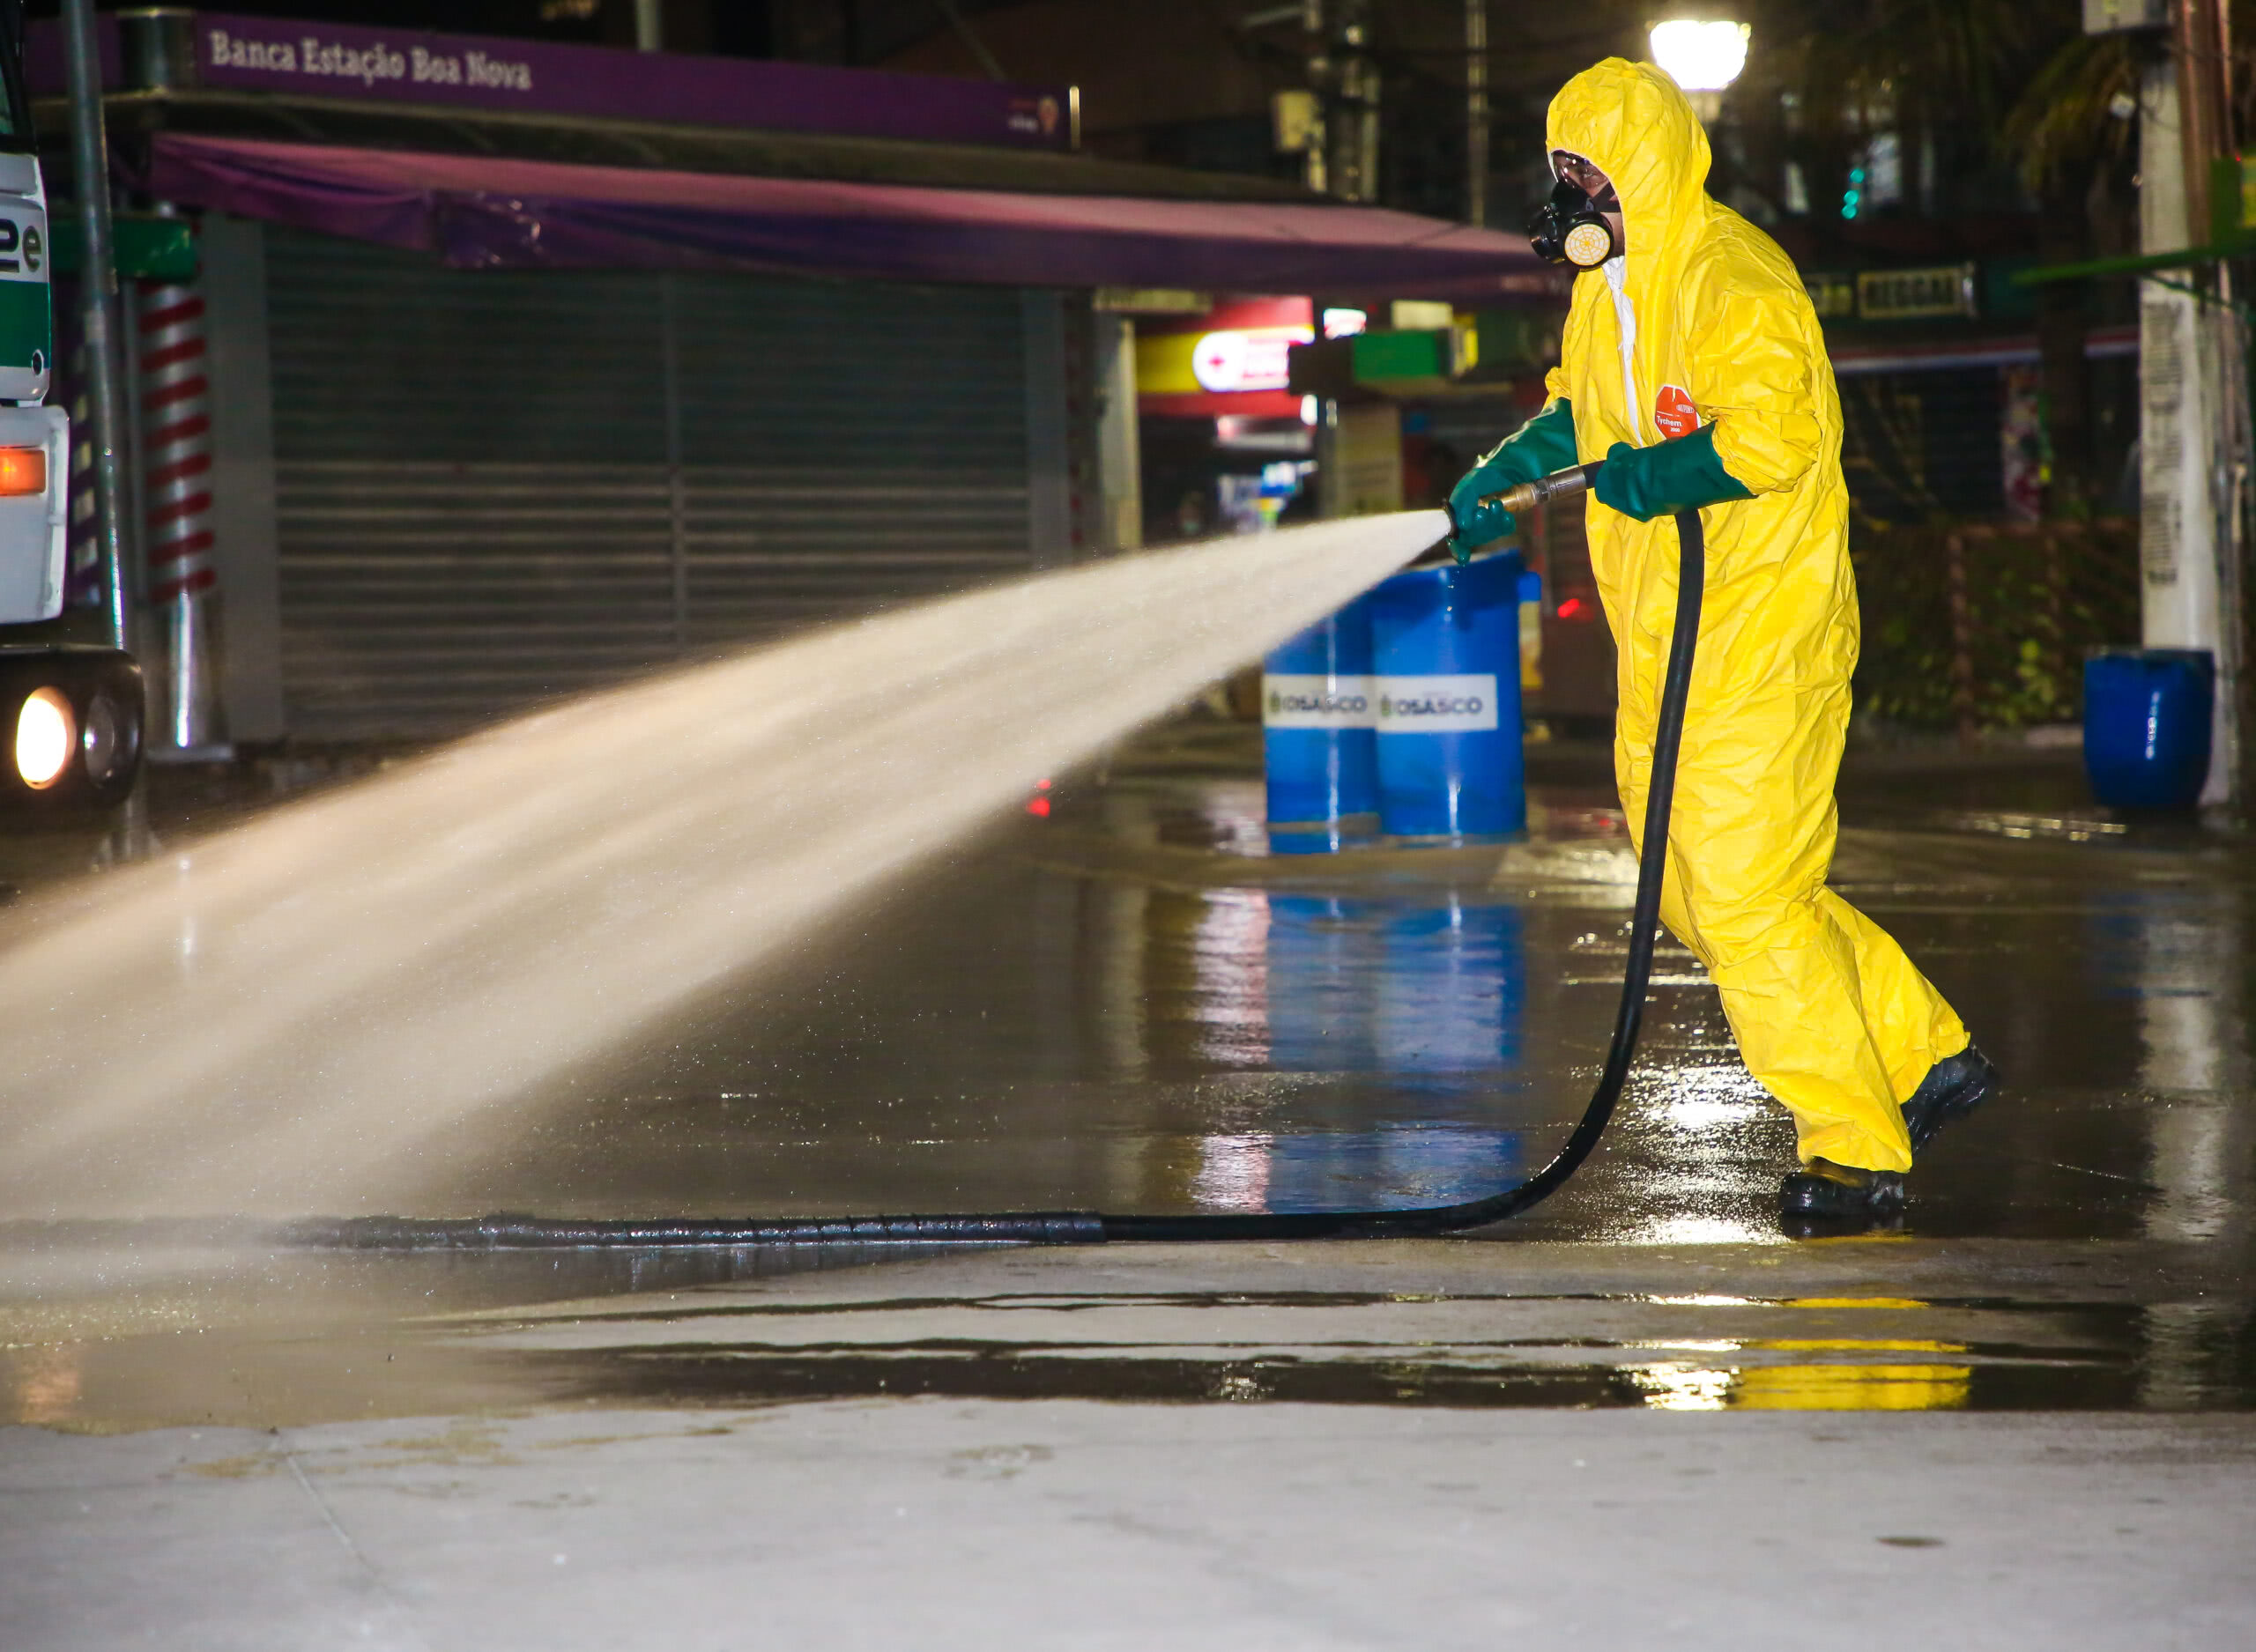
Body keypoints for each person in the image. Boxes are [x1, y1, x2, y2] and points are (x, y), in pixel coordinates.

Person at [1448, 58, 1998, 1225]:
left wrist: (1660, 475)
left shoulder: (1731, 273)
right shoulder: (1610, 292)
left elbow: (1776, 438)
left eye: (1586, 173)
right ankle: (1924, 1052)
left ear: (1641, 165)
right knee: (1697, 892)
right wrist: (1514, 469)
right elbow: (1583, 413)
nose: (1571, 196)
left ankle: (1860, 1152)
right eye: (1560, 173)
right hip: (1667, 638)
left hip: (1763, 627)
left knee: (1746, 899)